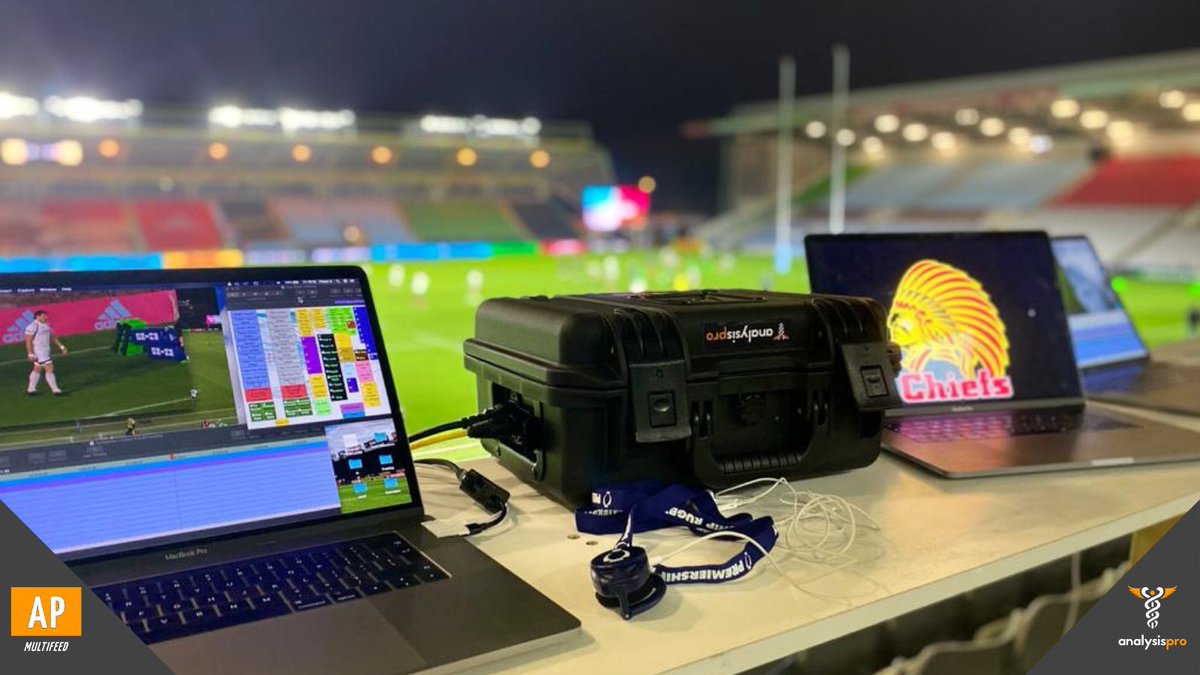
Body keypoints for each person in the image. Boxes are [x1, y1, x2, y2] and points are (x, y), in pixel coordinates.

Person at [25, 309, 68, 396]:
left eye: (46, 316)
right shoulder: (32, 326)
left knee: (37, 368)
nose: (46, 317)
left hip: (45, 350)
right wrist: (30, 353)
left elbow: (53, 337)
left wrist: (61, 347)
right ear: (37, 316)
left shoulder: (46, 325)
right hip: (39, 351)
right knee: (49, 368)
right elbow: (28, 340)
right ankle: (56, 390)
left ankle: (31, 389)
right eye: (44, 316)